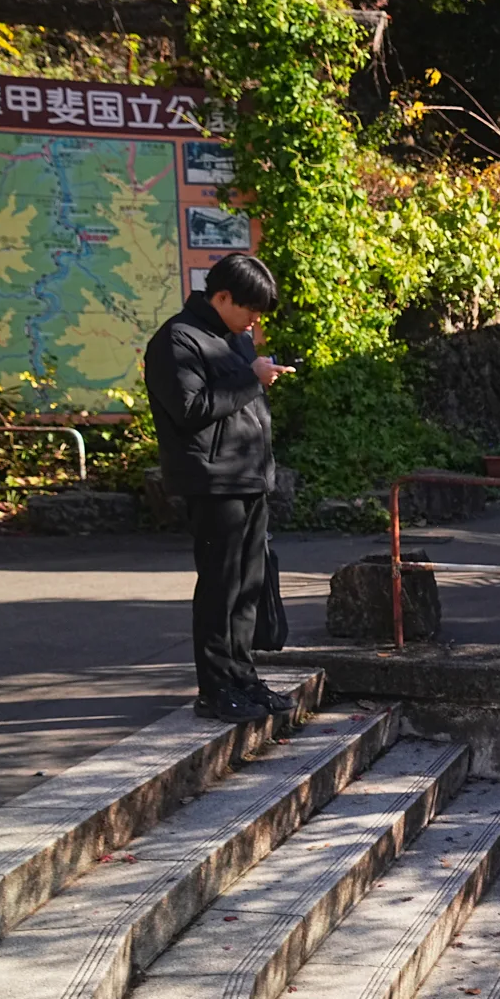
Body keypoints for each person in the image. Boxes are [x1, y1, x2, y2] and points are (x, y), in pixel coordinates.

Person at [143, 254, 294, 724]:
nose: (254, 321)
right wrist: (252, 378)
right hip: (212, 482)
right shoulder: (177, 339)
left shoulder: (235, 339)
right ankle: (214, 689)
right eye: (249, 309)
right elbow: (191, 409)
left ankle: (242, 677)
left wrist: (253, 373)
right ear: (222, 296)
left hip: (248, 477)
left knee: (248, 586)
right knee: (219, 587)